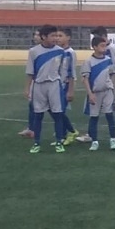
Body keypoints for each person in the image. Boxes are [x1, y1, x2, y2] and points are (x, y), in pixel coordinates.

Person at [25, 24, 68, 153]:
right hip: (38, 85)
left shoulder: (60, 51)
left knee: (58, 114)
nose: (56, 38)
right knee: (38, 115)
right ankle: (37, 143)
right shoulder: (34, 51)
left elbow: (62, 71)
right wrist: (27, 88)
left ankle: (59, 142)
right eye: (52, 35)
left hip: (54, 85)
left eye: (57, 35)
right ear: (44, 37)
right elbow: (30, 72)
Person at [90, 26, 115, 142]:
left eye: (97, 36)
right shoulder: (104, 49)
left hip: (110, 82)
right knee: (114, 106)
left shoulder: (111, 48)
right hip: (104, 81)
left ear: (103, 36)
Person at [80, 35, 115, 151]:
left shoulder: (108, 60)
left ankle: (112, 140)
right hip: (95, 93)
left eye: (105, 45)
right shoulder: (88, 62)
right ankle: (94, 141)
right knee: (94, 117)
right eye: (102, 46)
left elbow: (112, 74)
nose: (104, 48)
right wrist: (90, 94)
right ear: (94, 47)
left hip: (107, 92)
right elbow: (85, 79)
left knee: (109, 115)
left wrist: (112, 87)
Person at [55, 28, 79, 146]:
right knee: (56, 112)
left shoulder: (70, 52)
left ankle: (71, 132)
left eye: (60, 35)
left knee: (60, 112)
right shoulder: (56, 51)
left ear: (68, 38)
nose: (57, 38)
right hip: (55, 86)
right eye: (56, 36)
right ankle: (62, 136)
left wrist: (70, 90)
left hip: (64, 86)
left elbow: (72, 72)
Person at [18, 29, 41, 138]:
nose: (35, 37)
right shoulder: (33, 50)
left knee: (54, 110)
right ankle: (32, 129)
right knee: (32, 106)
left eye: (37, 35)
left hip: (46, 84)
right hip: (36, 83)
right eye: (35, 35)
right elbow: (30, 71)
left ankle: (68, 130)